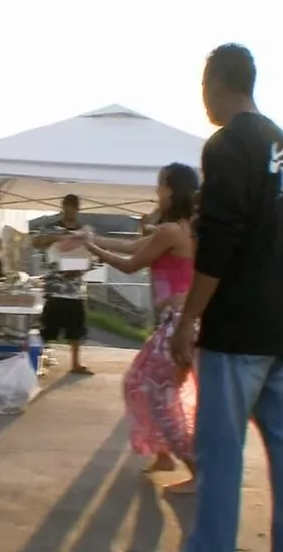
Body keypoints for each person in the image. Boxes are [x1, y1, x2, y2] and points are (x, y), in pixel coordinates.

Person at [157, 43, 283, 552]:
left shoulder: (227, 146)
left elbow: (220, 243)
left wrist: (187, 323)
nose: (203, 97)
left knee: (220, 457)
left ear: (217, 82)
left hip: (239, 332)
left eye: (204, 85)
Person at [78, 163, 200, 492]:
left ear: (171, 190)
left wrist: (92, 249)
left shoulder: (172, 231)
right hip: (175, 323)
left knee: (160, 395)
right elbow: (134, 247)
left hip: (179, 324)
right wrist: (93, 239)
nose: (156, 192)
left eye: (160, 186)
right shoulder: (180, 229)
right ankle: (163, 454)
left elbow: (131, 264)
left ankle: (196, 470)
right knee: (138, 383)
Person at [31, 194, 93, 375]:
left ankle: (75, 363)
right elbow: (36, 242)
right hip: (54, 288)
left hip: (75, 290)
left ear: (78, 208)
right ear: (63, 206)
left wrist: (79, 268)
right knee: (47, 329)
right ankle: (36, 360)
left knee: (76, 330)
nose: (70, 209)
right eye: (67, 205)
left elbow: (93, 257)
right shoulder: (51, 227)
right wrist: (55, 237)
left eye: (74, 206)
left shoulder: (84, 231)